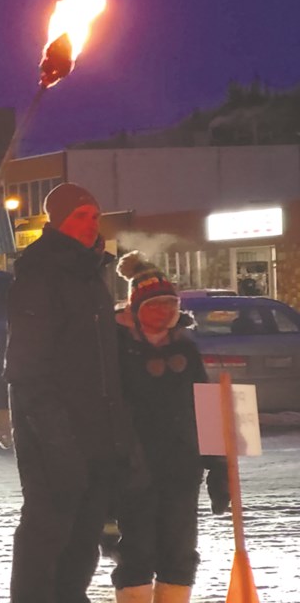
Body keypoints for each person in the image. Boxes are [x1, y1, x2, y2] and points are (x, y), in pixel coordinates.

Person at [4, 183, 142, 603]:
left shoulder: (90, 271)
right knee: (48, 529)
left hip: (97, 432)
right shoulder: (41, 271)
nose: (89, 224)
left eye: (94, 216)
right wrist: (55, 437)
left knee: (86, 532)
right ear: (56, 221)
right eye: (79, 216)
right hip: (55, 433)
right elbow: (27, 366)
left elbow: (99, 361)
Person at [111, 252, 229, 603]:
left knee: (180, 549)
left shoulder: (185, 349)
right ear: (136, 307)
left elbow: (207, 406)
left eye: (171, 304)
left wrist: (219, 465)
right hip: (133, 466)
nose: (165, 312)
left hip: (181, 466)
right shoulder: (116, 348)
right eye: (156, 304)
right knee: (137, 547)